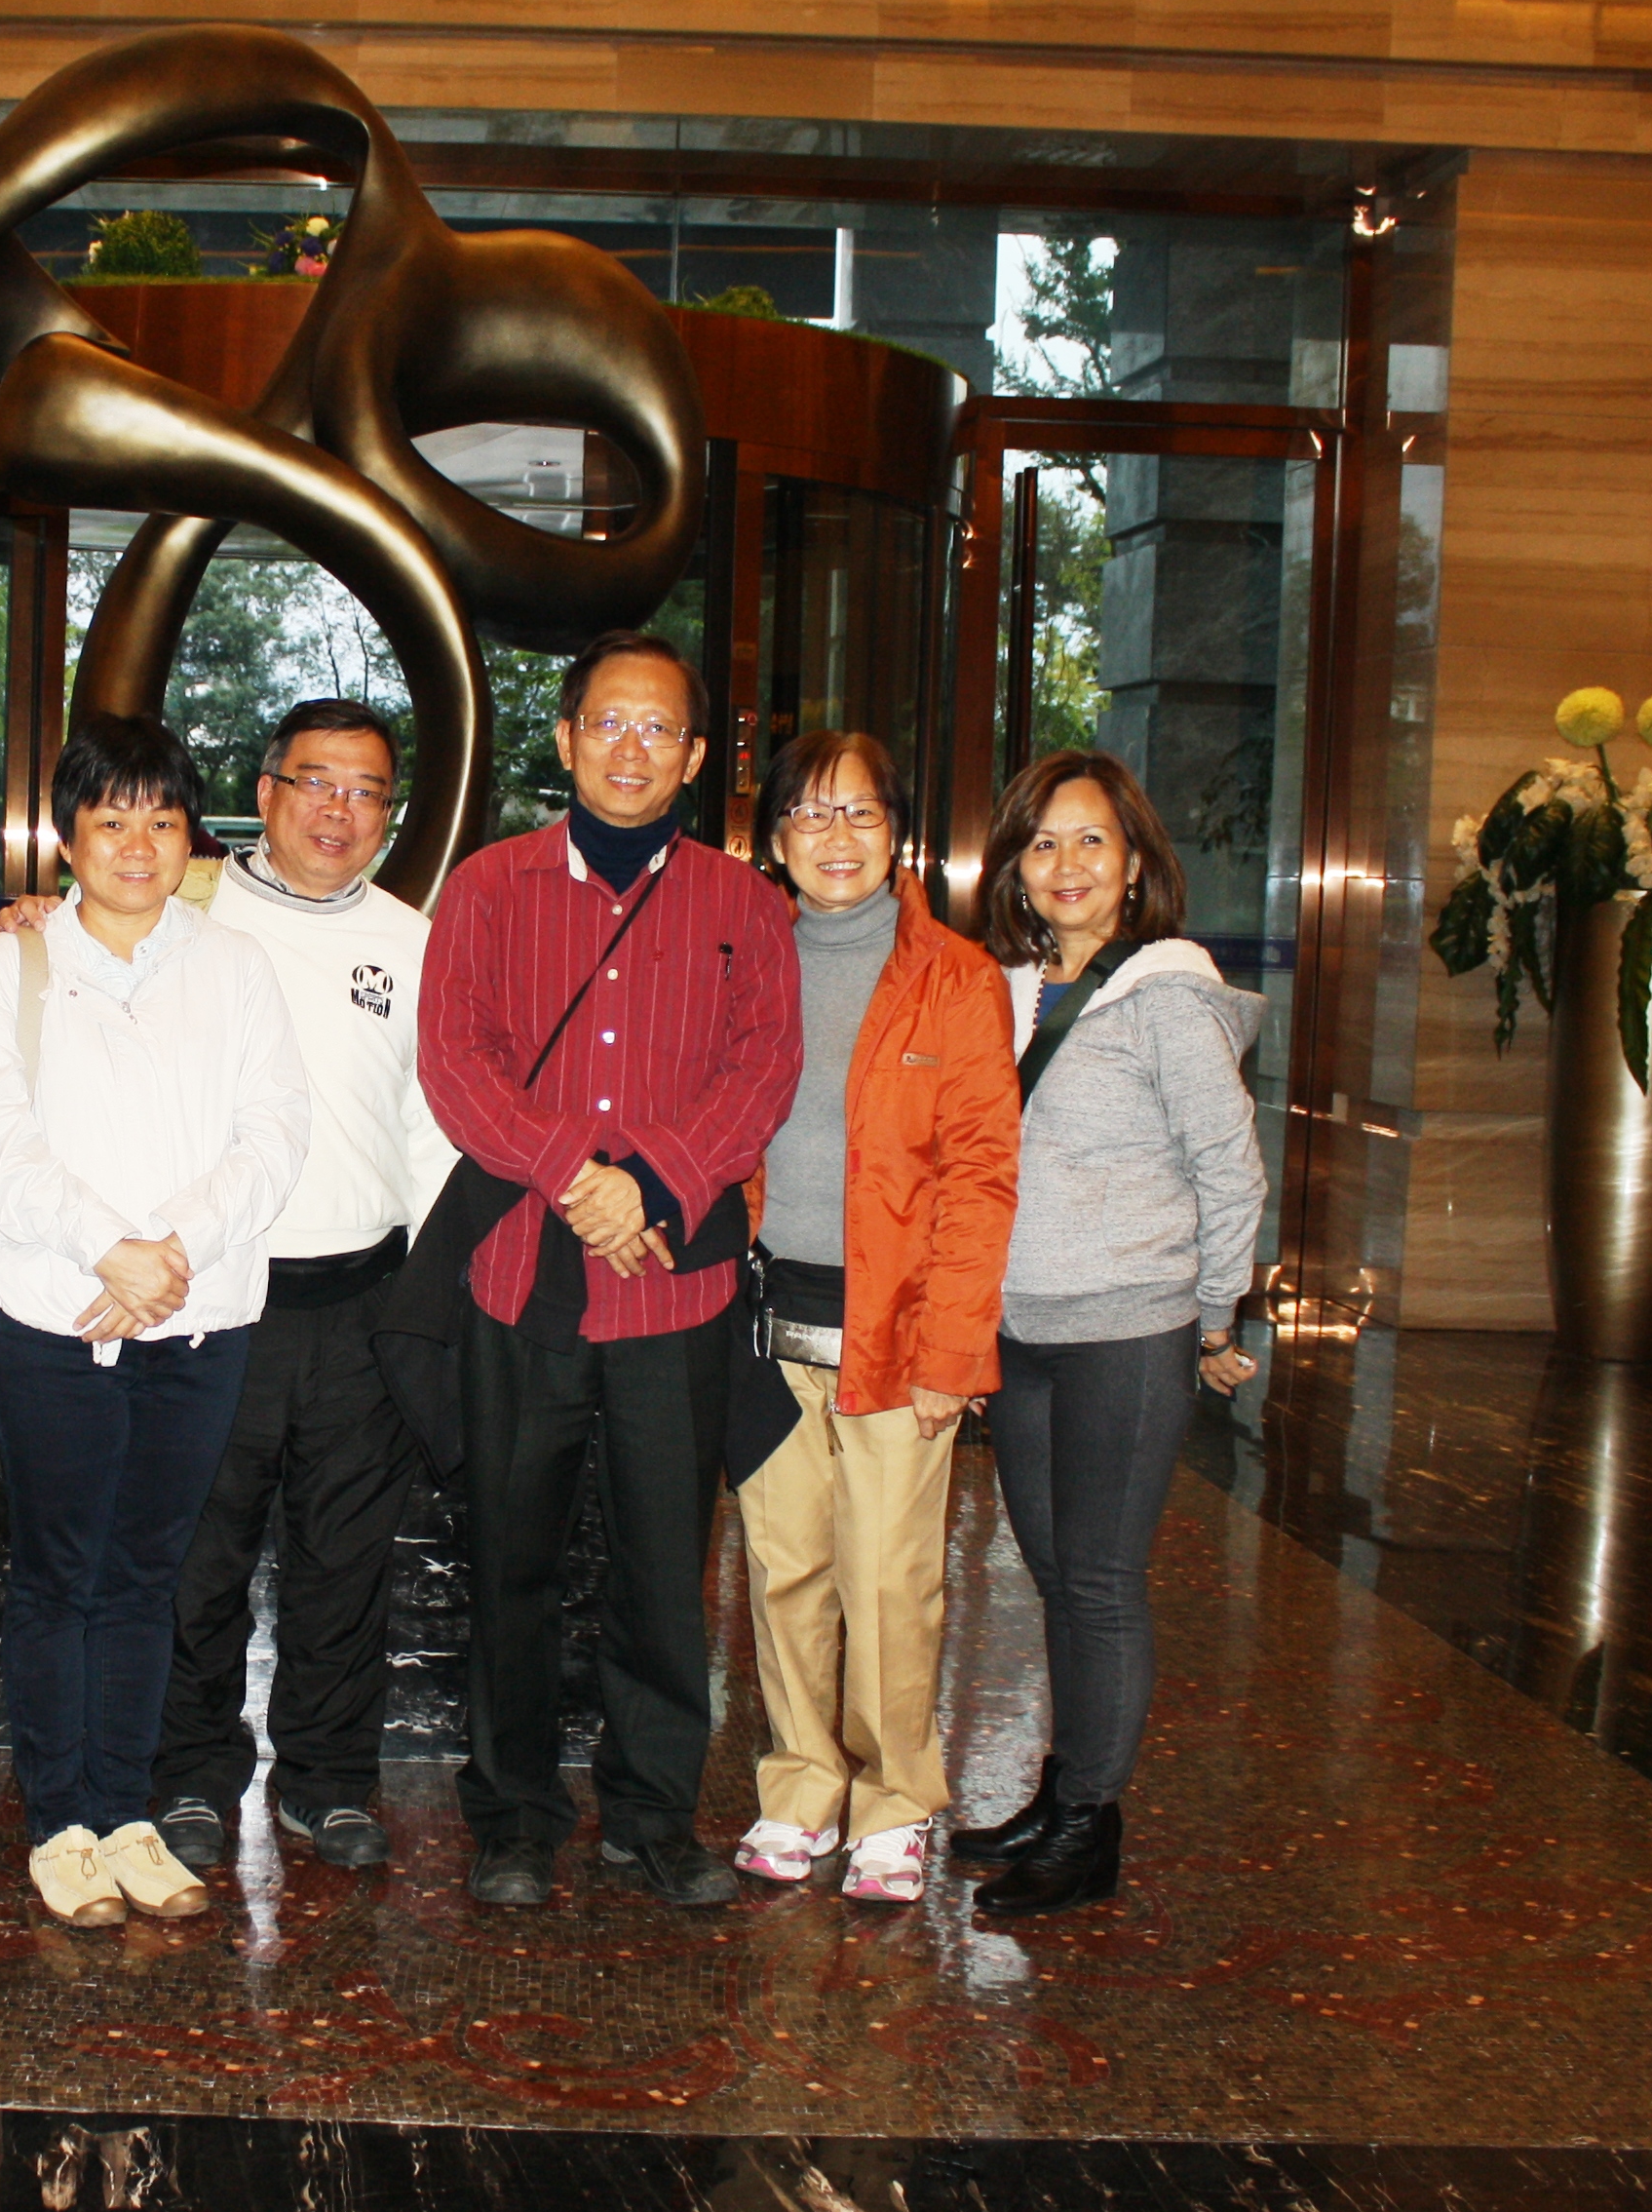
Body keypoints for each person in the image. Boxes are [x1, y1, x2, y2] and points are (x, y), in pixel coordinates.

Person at [417, 630, 800, 1911]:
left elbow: (764, 1069)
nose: (632, 749)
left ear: (693, 756)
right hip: (520, 1277)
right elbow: (454, 1060)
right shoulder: (489, 887)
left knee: (662, 1570)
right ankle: (514, 1817)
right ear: (568, 738)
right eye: (609, 723)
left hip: (675, 1288)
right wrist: (577, 1177)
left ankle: (651, 1815)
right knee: (510, 1560)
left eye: (660, 729)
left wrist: (656, 1183)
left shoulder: (745, 905)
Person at [0, 715, 312, 1929]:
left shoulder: (234, 964)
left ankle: (125, 1810)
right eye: (112, 820)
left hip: (200, 1320)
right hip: (57, 1315)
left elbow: (276, 1131)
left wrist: (174, 1254)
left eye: (162, 819)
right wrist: (110, 1248)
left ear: (191, 835)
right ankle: (60, 1820)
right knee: (61, 1573)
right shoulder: (16, 963)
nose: (138, 844)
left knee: (151, 1575)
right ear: (69, 835)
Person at [134, 698, 459, 1880]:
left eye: (367, 791)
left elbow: (430, 1130)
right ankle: (188, 1777)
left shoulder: (413, 940)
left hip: (365, 1299)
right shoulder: (182, 920)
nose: (340, 809)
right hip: (217, 1296)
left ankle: (328, 1783)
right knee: (199, 1557)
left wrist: (426, 1297)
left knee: (345, 1561)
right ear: (264, 794)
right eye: (317, 782)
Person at [948, 749, 1265, 1921]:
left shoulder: (1167, 994)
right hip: (1021, 1327)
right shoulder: (1007, 990)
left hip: (1129, 1326)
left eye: (1092, 840)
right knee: (1054, 1575)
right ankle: (1064, 1788)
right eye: (1043, 843)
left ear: (1135, 864)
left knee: (1100, 1579)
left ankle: (1090, 1826)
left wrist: (1216, 1316)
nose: (1067, 863)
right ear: (1015, 867)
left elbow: (1230, 1165)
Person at [728, 729, 1018, 1904]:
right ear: (775, 837)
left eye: (860, 813)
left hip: (898, 1333)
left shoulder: (956, 977)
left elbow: (982, 1177)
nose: (835, 837)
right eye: (810, 813)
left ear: (898, 833)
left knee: (891, 1581)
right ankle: (801, 1784)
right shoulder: (744, 960)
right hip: (766, 1324)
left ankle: (896, 1802)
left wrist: (954, 1350)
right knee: (783, 1568)